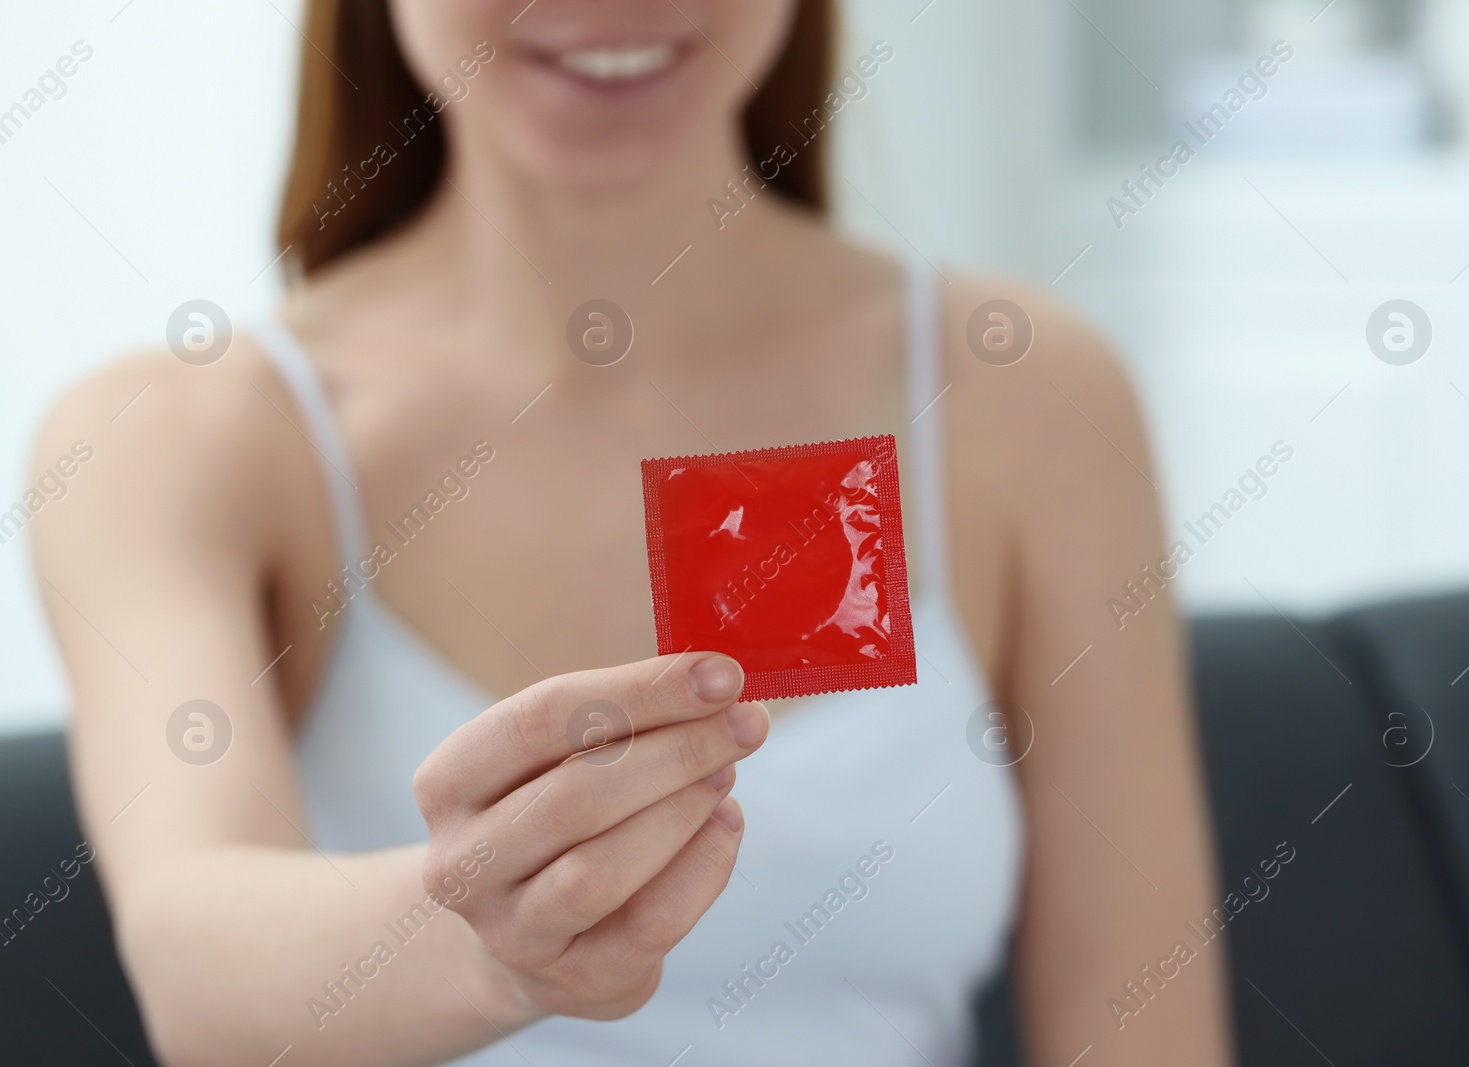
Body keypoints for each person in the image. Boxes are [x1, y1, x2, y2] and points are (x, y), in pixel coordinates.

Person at [31, 1, 1232, 1063]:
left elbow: (1145, 1029)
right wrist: (496, 949)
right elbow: (193, 960)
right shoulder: (178, 435)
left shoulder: (1023, 392)